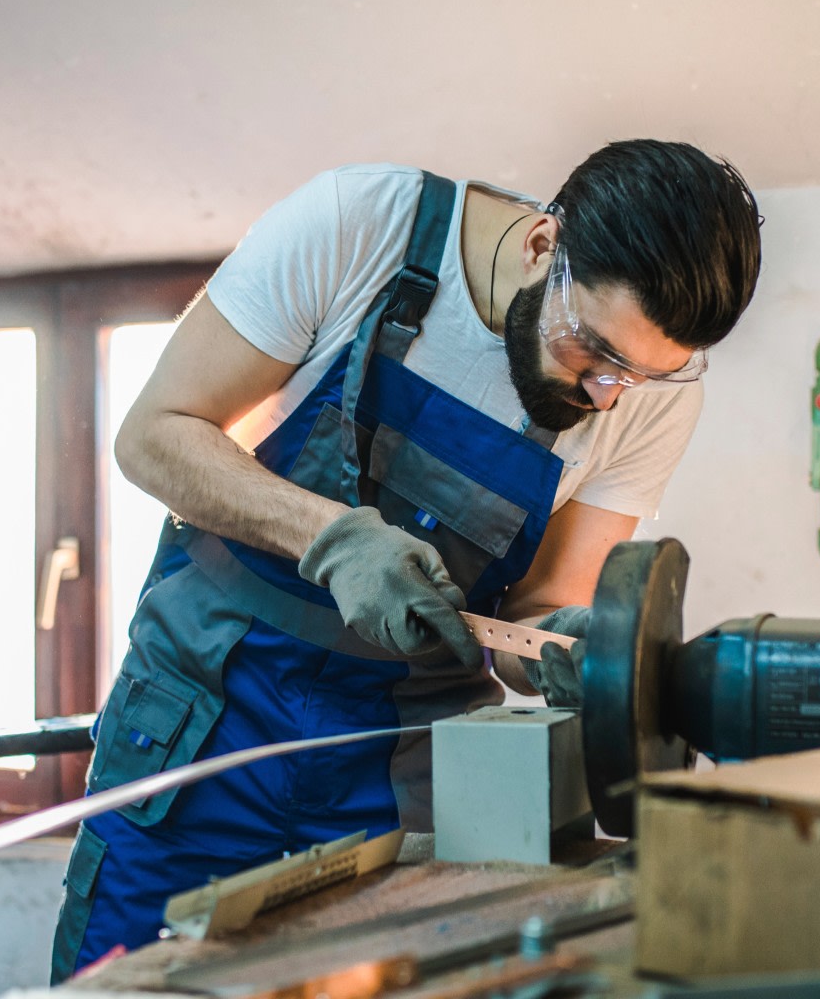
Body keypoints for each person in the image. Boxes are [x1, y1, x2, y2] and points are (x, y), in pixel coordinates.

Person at [51, 140, 761, 978]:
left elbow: (532, 615)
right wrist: (332, 537)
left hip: (399, 771)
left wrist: (573, 647)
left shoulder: (650, 399)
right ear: (542, 245)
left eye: (641, 377)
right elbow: (155, 436)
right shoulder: (362, 225)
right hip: (206, 729)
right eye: (594, 354)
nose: (605, 394)